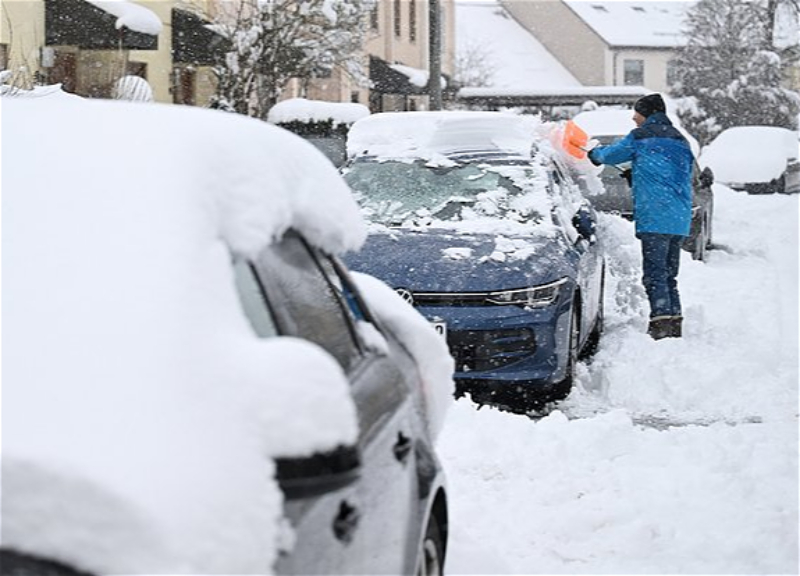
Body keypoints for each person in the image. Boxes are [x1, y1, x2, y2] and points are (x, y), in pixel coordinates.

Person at [588, 93, 693, 340]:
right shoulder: (680, 140)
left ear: (646, 113)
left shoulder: (641, 136)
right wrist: (639, 175)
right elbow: (675, 174)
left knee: (655, 273)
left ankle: (660, 324)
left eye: (637, 113)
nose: (634, 119)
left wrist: (594, 154)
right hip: (678, 217)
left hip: (656, 215)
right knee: (669, 273)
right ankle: (674, 321)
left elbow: (610, 156)